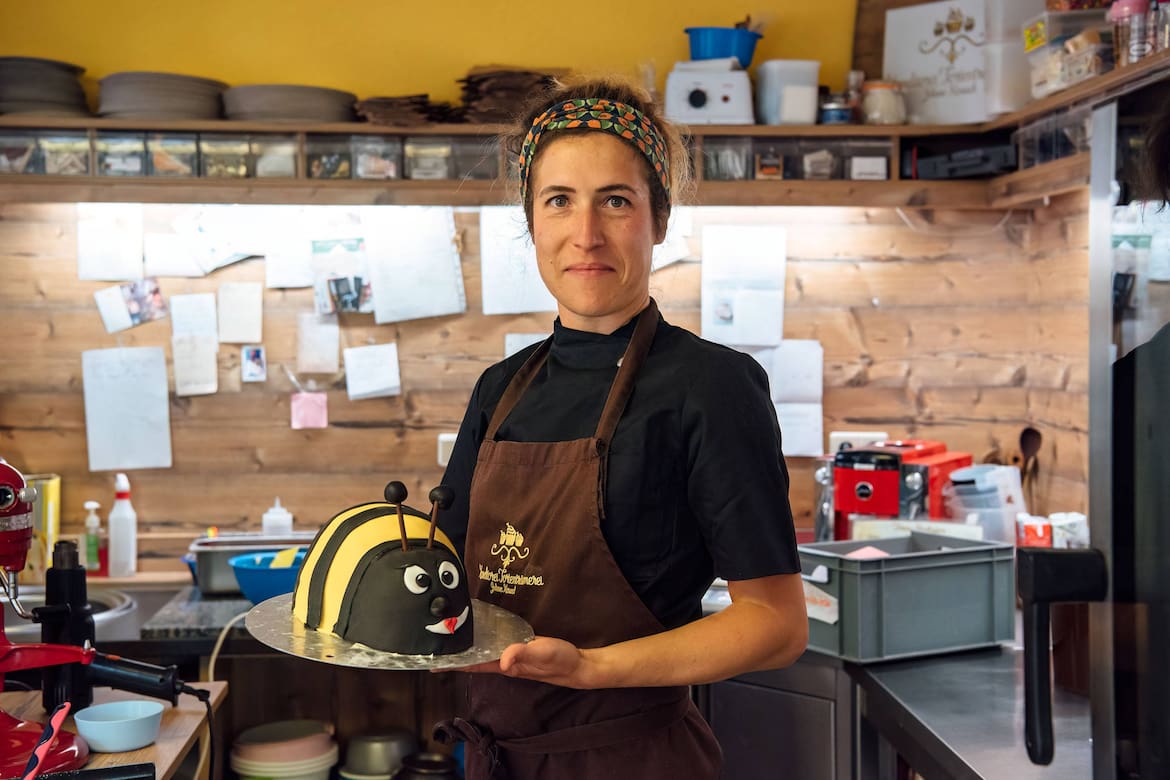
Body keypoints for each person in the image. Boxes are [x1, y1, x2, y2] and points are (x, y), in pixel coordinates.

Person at [435, 76, 808, 780]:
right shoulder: (499, 390)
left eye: (615, 201)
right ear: (532, 222)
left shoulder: (711, 386)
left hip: (635, 760)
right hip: (500, 760)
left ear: (658, 219)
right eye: (559, 201)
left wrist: (592, 669)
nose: (586, 234)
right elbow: (447, 576)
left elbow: (776, 624)